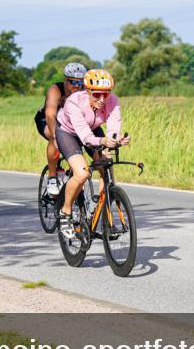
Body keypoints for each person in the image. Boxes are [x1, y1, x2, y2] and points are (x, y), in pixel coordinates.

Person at [54, 68, 129, 238]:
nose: (102, 99)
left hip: (94, 130)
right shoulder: (74, 102)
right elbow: (84, 135)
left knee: (106, 164)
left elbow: (113, 126)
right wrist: (103, 141)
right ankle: (65, 212)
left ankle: (101, 212)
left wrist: (115, 140)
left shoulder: (112, 100)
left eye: (106, 94)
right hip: (69, 133)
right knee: (82, 174)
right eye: (96, 95)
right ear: (87, 91)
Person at [35, 62, 86, 195]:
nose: (77, 86)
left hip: (68, 121)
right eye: (73, 82)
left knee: (75, 144)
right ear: (66, 80)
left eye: (80, 83)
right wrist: (56, 137)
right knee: (54, 136)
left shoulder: (83, 91)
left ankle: (72, 175)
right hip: (47, 119)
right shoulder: (56, 90)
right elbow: (50, 114)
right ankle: (52, 177)